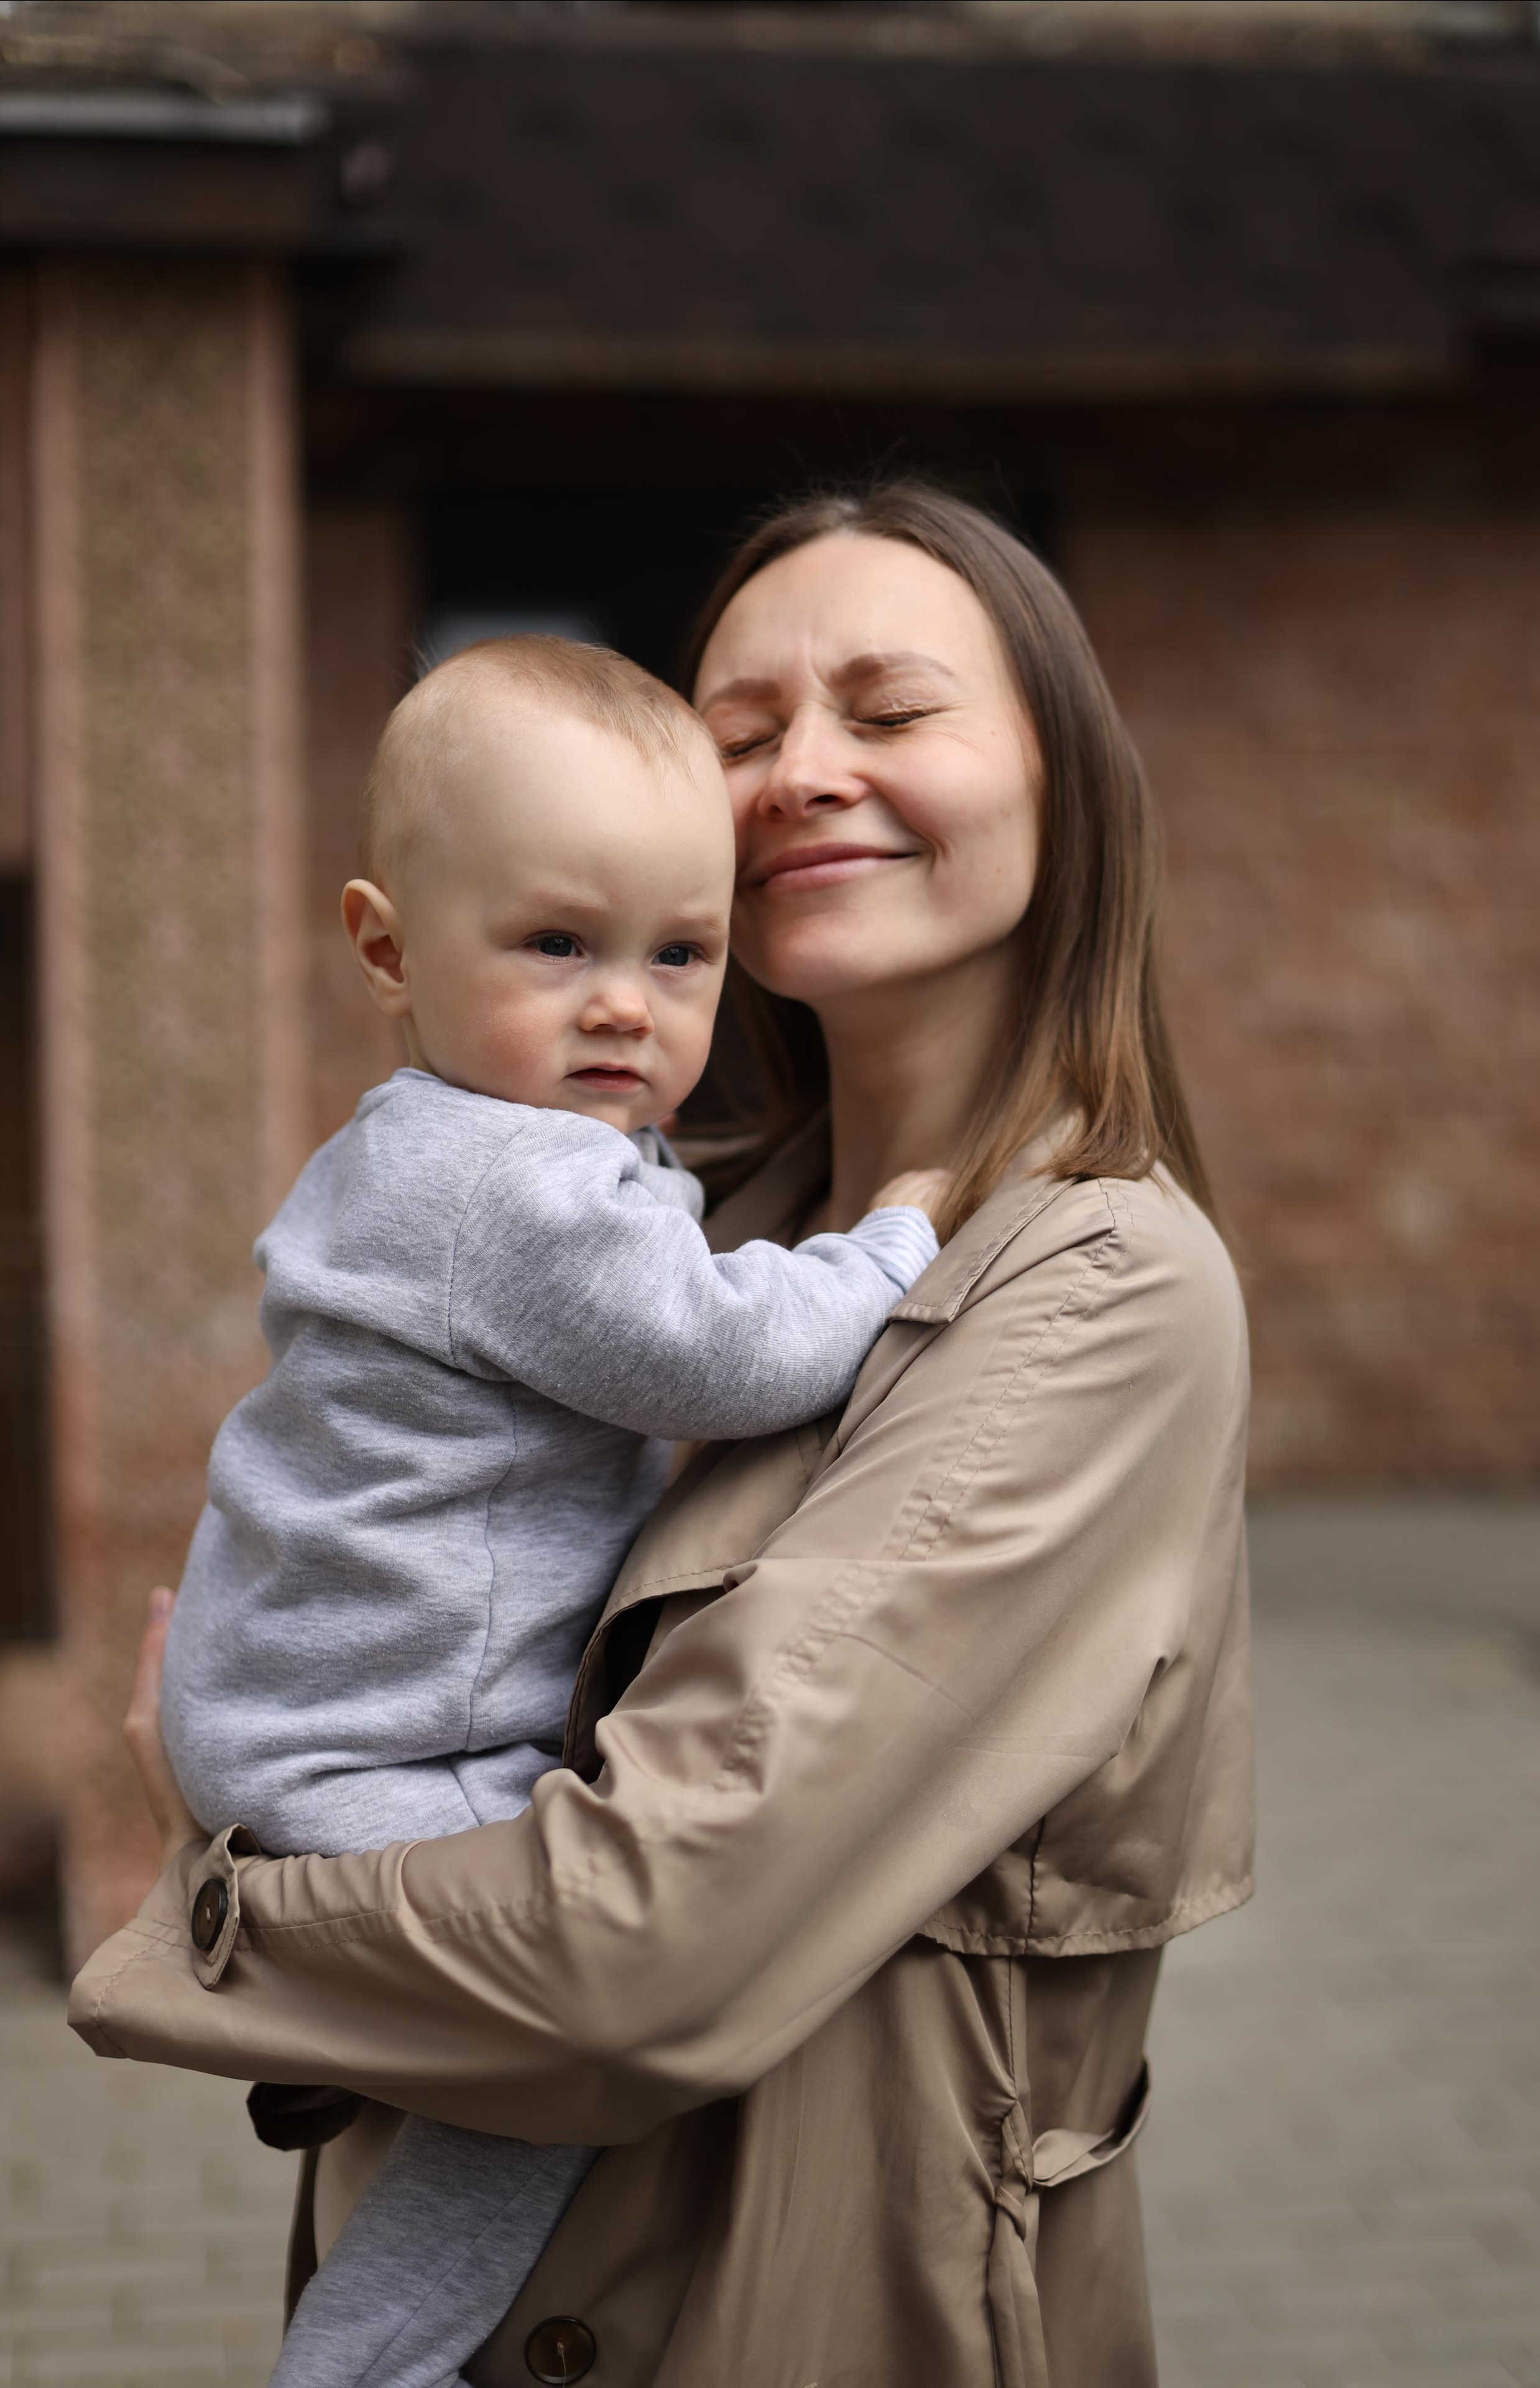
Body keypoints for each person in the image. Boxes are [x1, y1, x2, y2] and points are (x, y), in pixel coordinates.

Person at [72, 481, 1255, 2388]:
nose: (800, 770)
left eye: (889, 712)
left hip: (802, 2326)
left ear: (1067, 788)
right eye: (742, 729)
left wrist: (219, 1891)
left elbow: (625, 1952)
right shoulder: (681, 1223)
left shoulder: (1092, 1286)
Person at [158, 632, 944, 2388]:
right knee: (564, 2059)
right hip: (381, 1752)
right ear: (386, 948)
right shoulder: (516, 1185)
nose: (626, 1005)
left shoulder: (413, 1139)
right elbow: (725, 1358)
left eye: (682, 956)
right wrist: (890, 1245)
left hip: (298, 1703)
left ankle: (355, 2038)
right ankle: (366, 2365)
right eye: (557, 945)